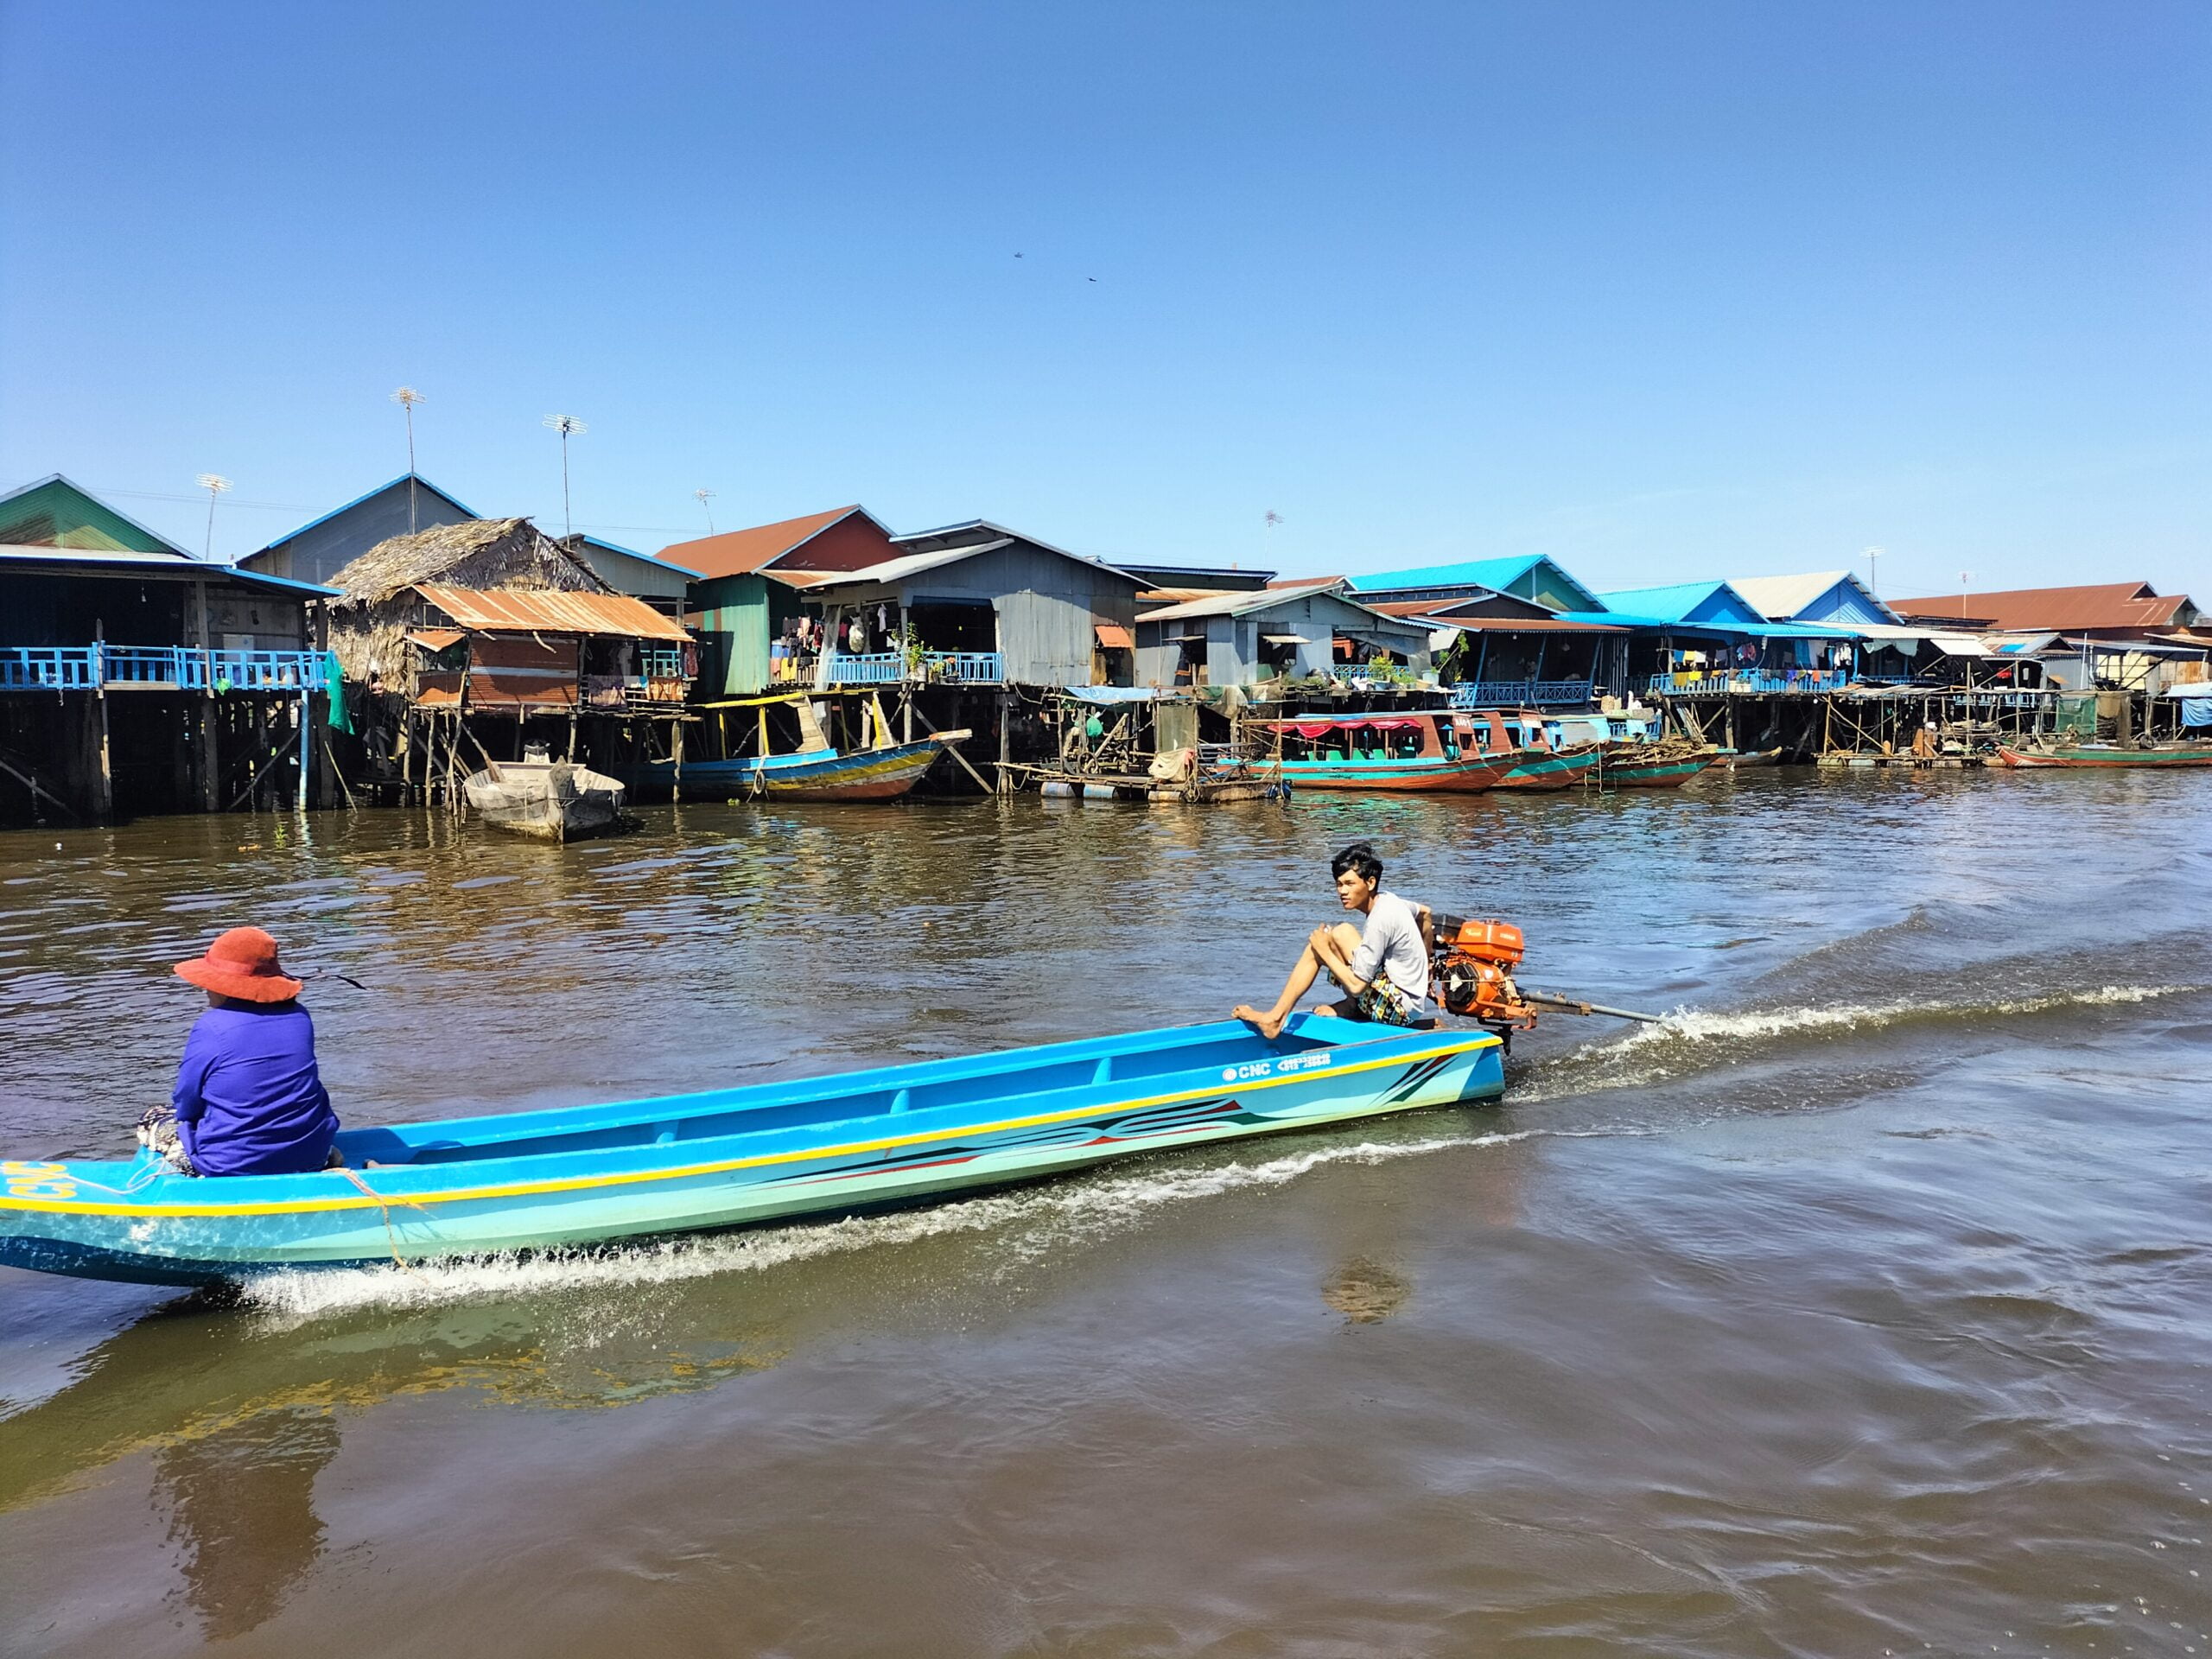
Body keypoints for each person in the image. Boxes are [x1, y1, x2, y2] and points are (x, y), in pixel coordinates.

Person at [156, 928, 339, 1176]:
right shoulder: (300, 1016)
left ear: (226, 986)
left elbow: (187, 1099)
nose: (205, 989)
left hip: (231, 1164)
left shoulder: (212, 1026)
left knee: (155, 1119)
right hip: (313, 1153)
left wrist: (189, 1122)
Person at [1234, 842, 1432, 1039]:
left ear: (1370, 883)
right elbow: (1425, 913)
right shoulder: (1389, 900)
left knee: (1317, 948)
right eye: (1339, 884)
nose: (1342, 891)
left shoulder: (1379, 920)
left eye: (1349, 884)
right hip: (1407, 999)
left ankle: (1275, 1020)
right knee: (1341, 933)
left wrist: (1323, 951)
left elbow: (1357, 986)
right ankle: (1354, 1006)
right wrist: (1426, 969)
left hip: (1399, 1011)